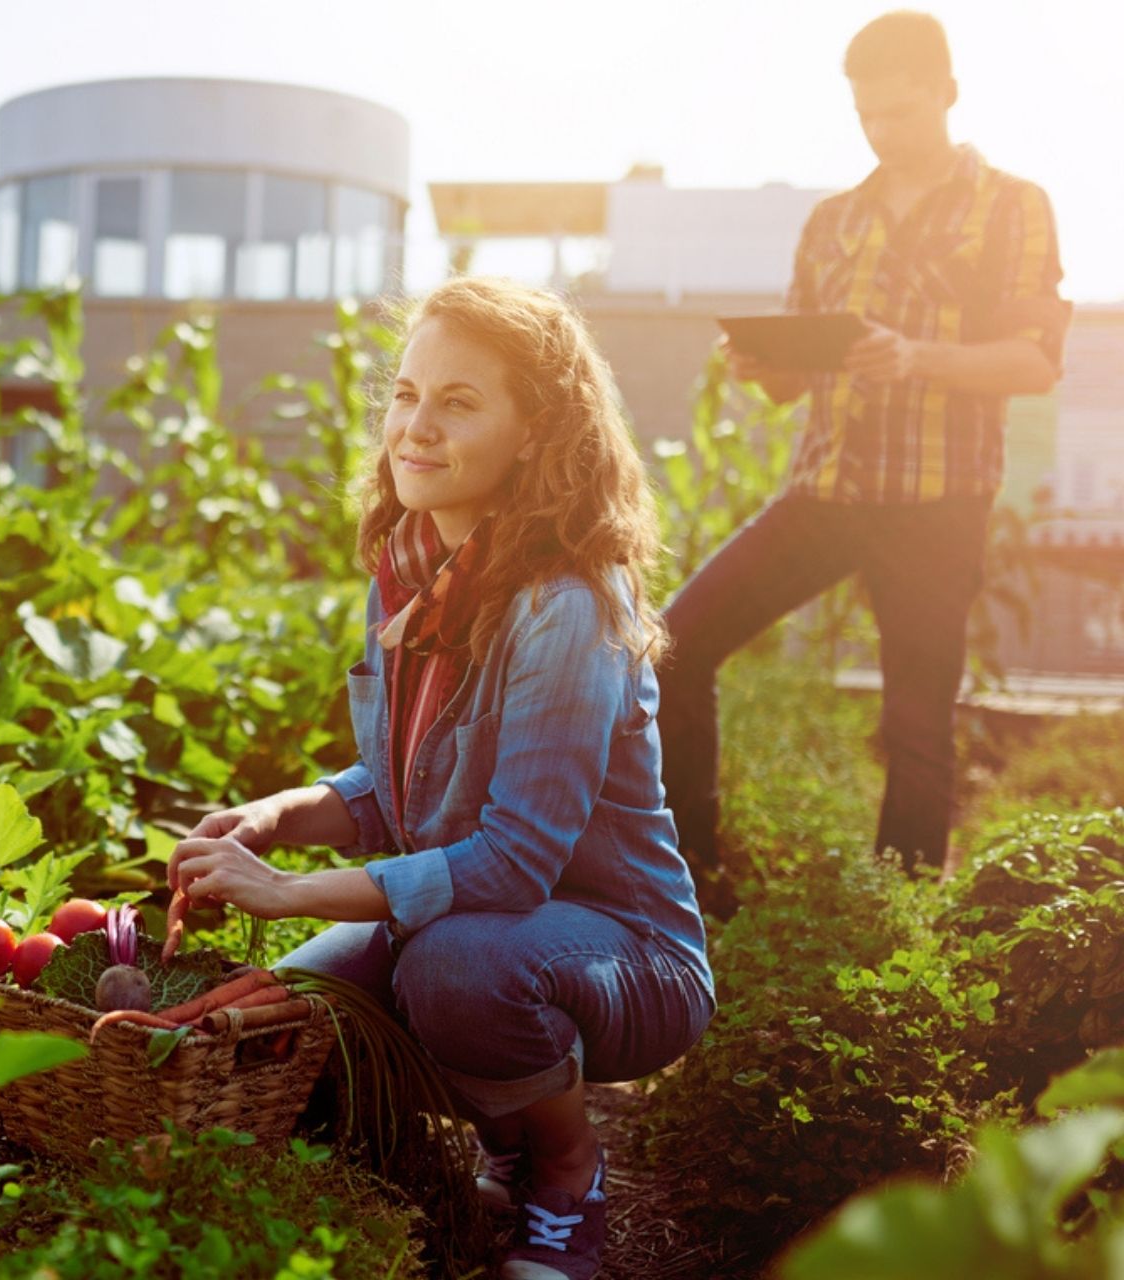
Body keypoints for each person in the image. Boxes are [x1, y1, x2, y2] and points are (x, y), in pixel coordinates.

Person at [168, 277, 714, 1280]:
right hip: (477, 924)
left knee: (453, 971)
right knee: (296, 1013)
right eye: (407, 393)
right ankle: (496, 1140)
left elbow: (511, 864)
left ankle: (565, 1171)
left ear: (537, 432)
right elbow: (398, 787)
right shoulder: (413, 574)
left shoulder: (567, 605)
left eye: (459, 402)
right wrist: (276, 816)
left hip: (627, 954)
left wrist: (287, 892)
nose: (415, 426)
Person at [656, 11, 1069, 898]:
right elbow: (792, 384)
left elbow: (1034, 362)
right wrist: (761, 365)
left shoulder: (1012, 205)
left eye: (900, 113)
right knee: (673, 644)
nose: (882, 132)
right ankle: (691, 877)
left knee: (916, 726)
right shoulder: (832, 220)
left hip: (937, 505)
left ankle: (900, 914)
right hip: (826, 494)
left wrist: (916, 357)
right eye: (866, 115)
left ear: (948, 93)